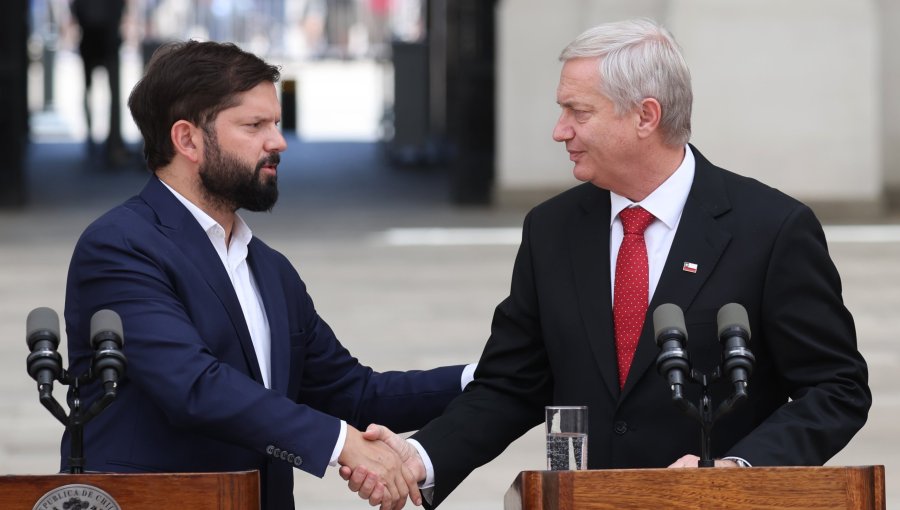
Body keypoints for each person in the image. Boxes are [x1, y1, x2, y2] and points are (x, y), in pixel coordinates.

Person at [344, 17, 872, 507]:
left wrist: (736, 469)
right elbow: (512, 381)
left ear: (645, 115)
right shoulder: (551, 229)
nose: (559, 130)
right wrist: (419, 459)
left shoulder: (772, 229)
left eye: (579, 111)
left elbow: (836, 387)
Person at [60, 40, 474, 510]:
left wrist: (489, 377)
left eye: (275, 123)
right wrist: (342, 444)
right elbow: (194, 386)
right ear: (187, 139)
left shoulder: (269, 268)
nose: (277, 141)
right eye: (254, 125)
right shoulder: (120, 246)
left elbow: (355, 393)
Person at [70, 0, 130, 168]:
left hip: (99, 40)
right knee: (105, 93)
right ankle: (107, 141)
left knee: (104, 93)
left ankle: (107, 141)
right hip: (101, 40)